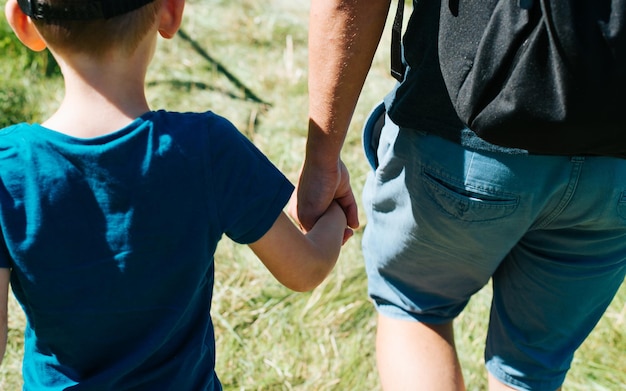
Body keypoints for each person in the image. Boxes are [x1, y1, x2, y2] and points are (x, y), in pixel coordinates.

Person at [0, 0, 348, 389]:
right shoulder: (207, 149)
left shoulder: (8, 170)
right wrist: (333, 204)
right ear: (170, 12)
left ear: (22, 22)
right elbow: (306, 269)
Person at [293, 0, 626, 390]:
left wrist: (321, 161)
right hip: (615, 164)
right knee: (531, 366)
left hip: (463, 142)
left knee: (413, 307)